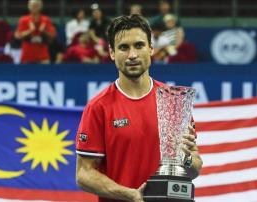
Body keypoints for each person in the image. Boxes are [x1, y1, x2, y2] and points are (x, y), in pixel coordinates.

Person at [75, 15, 202, 202]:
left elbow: (195, 167)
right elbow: (84, 174)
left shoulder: (172, 102)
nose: (132, 55)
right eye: (124, 48)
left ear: (151, 48)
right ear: (111, 53)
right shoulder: (98, 107)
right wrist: (130, 194)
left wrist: (188, 159)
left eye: (139, 45)